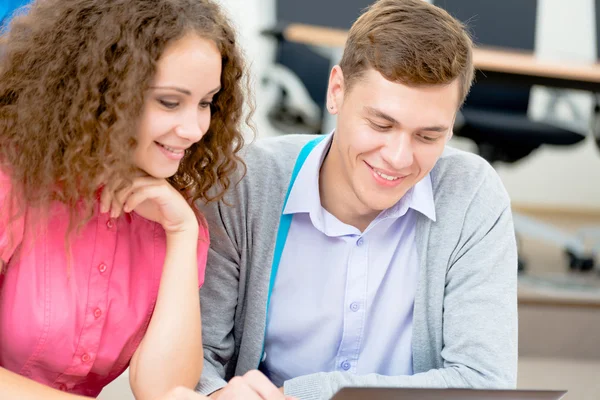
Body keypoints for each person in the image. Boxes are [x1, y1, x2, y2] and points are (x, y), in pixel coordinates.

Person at [197, 0, 518, 399]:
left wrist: (302, 395)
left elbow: (484, 382)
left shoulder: (471, 194)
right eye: (381, 124)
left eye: (428, 136)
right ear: (337, 92)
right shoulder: (245, 185)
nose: (399, 158)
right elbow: (197, 359)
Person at [0, 1, 288, 399]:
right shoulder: (11, 181)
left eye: (206, 103)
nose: (193, 129)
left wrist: (182, 232)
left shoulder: (169, 214)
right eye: (170, 101)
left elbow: (164, 390)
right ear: (100, 91)